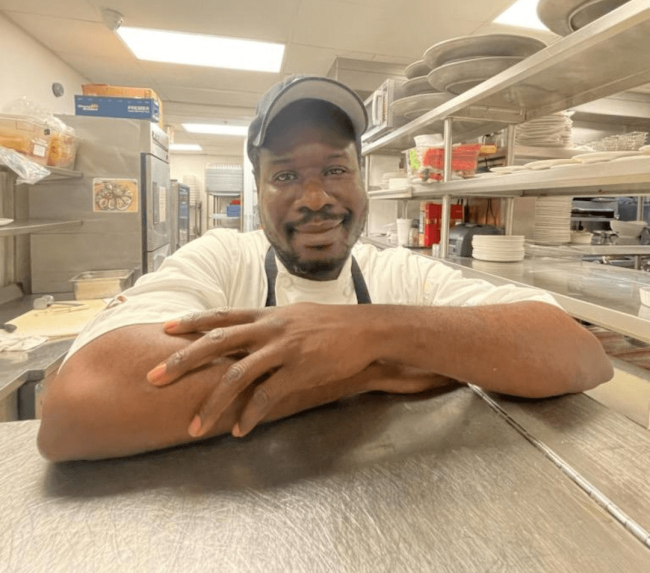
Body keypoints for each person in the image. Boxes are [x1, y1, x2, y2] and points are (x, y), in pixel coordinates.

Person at [37, 76, 612, 462]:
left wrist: (373, 332)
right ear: (257, 191)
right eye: (285, 175)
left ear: (360, 179)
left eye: (335, 170)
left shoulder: (400, 275)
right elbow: (79, 410)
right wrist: (365, 371)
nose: (314, 197)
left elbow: (579, 355)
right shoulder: (219, 259)